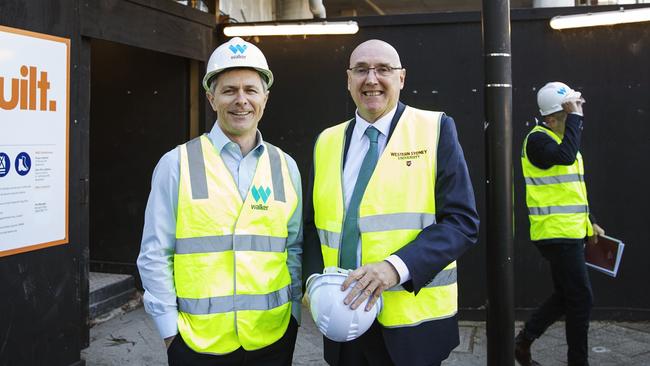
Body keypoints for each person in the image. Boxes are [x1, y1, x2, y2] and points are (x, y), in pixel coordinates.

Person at [303, 39, 480, 366]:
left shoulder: (435, 129)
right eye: (361, 70)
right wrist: (315, 285)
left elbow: (461, 223)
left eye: (383, 69)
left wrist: (394, 268)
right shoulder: (326, 141)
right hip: (343, 323)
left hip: (411, 325)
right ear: (348, 80)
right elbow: (313, 225)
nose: (371, 79)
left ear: (401, 78)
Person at [137, 37, 303, 366]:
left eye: (250, 90)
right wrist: (170, 334)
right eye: (229, 90)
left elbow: (293, 249)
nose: (241, 101)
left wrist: (294, 316)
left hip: (272, 339)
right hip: (198, 343)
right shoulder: (176, 164)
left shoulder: (285, 165)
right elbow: (155, 254)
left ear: (265, 98)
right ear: (211, 98)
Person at [516, 81, 605, 366]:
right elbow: (565, 159)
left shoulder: (564, 140)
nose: (578, 117)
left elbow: (570, 189)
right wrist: (575, 118)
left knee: (567, 295)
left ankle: (523, 341)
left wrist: (590, 224)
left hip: (571, 231)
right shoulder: (538, 141)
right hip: (555, 234)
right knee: (581, 298)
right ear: (552, 117)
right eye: (570, 113)